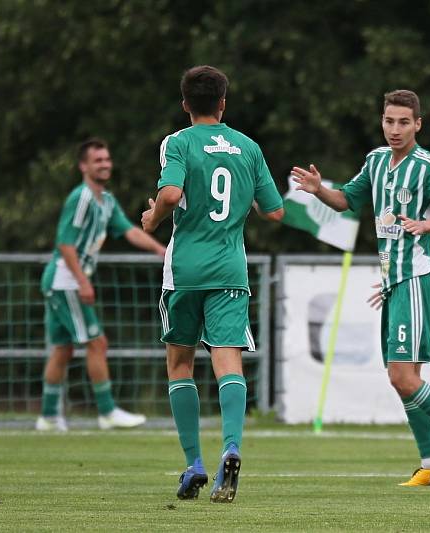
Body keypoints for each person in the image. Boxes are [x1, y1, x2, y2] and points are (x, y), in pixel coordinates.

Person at [292, 90, 430, 486]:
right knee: (403, 376)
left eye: (403, 122)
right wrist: (318, 190)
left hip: (416, 278)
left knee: (403, 376)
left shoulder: (427, 166)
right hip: (393, 281)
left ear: (418, 124)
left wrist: (425, 225)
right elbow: (346, 200)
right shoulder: (376, 161)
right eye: (388, 121)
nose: (394, 129)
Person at [141, 65, 284, 503]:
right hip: (229, 271)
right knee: (228, 363)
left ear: (185, 103)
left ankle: (194, 464)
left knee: (180, 364)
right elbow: (274, 212)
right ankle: (232, 446)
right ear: (223, 102)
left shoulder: (178, 142)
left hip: (184, 270)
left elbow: (168, 194)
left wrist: (152, 220)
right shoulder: (248, 147)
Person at [37, 138, 166, 432]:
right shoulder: (81, 198)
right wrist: (83, 282)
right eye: (98, 160)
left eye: (107, 159)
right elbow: (65, 244)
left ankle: (47, 417)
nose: (105, 164)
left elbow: (130, 231)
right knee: (97, 343)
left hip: (65, 281)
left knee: (62, 349)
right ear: (83, 166)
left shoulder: (105, 200)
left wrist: (161, 250)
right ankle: (107, 412)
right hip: (65, 281)